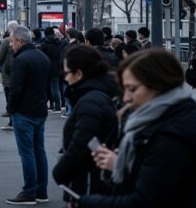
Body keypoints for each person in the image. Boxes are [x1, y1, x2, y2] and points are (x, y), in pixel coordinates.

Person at [81, 50, 196, 207]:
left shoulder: (170, 135)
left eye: (132, 89)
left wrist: (86, 202)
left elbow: (144, 201)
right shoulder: (171, 120)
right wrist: (121, 163)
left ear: (157, 84)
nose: (126, 98)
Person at [53, 45, 119, 202]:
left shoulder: (91, 101)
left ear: (79, 74)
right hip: (92, 179)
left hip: (88, 182)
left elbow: (82, 143)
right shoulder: (98, 95)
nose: (65, 78)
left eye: (67, 73)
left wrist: (60, 172)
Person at [5, 25, 52, 205]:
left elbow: (15, 90)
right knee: (39, 151)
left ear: (19, 40)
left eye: (11, 41)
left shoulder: (21, 60)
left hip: (24, 112)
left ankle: (29, 192)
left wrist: (10, 109)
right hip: (40, 111)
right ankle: (41, 191)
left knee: (27, 153)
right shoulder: (42, 57)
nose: (10, 45)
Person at [0, 20, 19, 131]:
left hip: (9, 74)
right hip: (21, 73)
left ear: (9, 28)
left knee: (10, 98)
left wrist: (2, 67)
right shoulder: (24, 39)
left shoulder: (6, 41)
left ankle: (12, 122)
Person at [40, 26, 63, 113]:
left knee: (47, 88)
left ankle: (52, 105)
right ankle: (57, 106)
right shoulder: (58, 42)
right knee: (55, 87)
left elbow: (42, 56)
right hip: (57, 67)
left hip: (47, 68)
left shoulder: (45, 44)